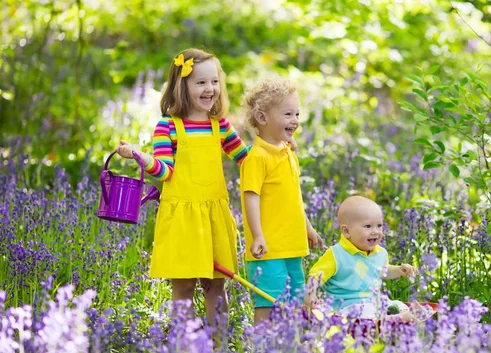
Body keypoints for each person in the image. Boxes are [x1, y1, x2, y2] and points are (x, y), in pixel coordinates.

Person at [115, 49, 298, 325]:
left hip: (213, 216)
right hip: (183, 220)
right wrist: (139, 157)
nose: (209, 88)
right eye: (200, 82)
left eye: (214, 82)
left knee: (216, 286)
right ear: (182, 86)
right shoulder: (168, 128)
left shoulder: (220, 126)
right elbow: (164, 170)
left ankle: (219, 348)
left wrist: (276, 148)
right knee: (184, 288)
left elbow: (247, 159)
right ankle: (183, 347)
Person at [240, 76, 324, 325]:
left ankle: (289, 350)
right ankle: (260, 351)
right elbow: (250, 198)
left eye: (297, 114)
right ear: (263, 118)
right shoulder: (257, 158)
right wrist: (257, 235)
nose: (295, 120)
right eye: (288, 114)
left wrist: (307, 228)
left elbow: (293, 197)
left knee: (297, 300)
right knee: (268, 300)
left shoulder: (288, 153)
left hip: (292, 245)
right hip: (268, 249)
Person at [305, 196, 418, 322]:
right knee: (366, 313)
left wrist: (399, 270)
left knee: (397, 305)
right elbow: (316, 275)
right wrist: (311, 294)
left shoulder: (380, 253)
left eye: (379, 225)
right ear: (346, 231)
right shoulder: (336, 254)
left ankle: (397, 316)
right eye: (368, 226)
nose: (375, 231)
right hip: (347, 306)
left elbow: (383, 271)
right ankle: (394, 320)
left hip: (374, 301)